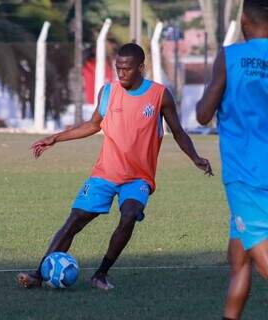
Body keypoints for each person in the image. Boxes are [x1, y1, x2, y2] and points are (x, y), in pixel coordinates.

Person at [18, 43, 213, 291]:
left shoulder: (160, 95)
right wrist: (55, 138)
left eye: (127, 69)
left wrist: (195, 157)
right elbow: (92, 125)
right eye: (118, 68)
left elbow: (178, 132)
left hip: (138, 178)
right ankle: (37, 274)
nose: (121, 73)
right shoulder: (108, 92)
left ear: (141, 68)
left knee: (129, 215)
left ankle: (100, 274)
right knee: (75, 220)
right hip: (105, 173)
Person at [196, 1, 268, 319]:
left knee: (258, 253)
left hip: (246, 173)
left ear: (242, 20)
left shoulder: (230, 56)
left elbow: (202, 114)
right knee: (238, 259)